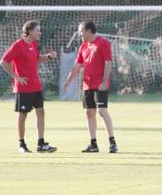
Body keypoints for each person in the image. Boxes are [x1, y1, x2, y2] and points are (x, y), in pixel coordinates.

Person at [1, 20, 58, 153]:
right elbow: (4, 62)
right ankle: (22, 144)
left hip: (35, 85)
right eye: (37, 30)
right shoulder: (17, 45)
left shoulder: (34, 43)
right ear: (30, 31)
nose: (40, 32)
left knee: (41, 112)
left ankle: (41, 144)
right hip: (23, 88)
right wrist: (16, 77)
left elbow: (37, 58)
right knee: (23, 115)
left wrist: (48, 57)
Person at [64, 21, 118, 153]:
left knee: (102, 111)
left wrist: (104, 81)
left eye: (81, 31)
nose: (80, 34)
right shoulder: (83, 46)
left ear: (88, 31)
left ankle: (112, 142)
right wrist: (69, 79)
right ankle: (93, 144)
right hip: (87, 84)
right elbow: (78, 65)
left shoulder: (103, 43)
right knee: (89, 113)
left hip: (100, 84)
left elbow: (108, 63)